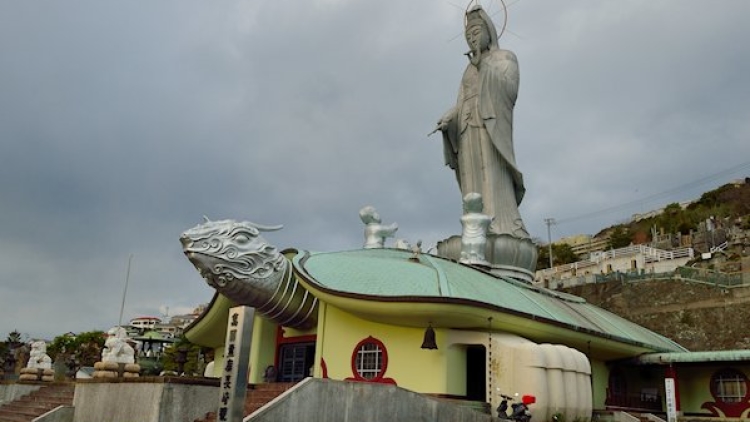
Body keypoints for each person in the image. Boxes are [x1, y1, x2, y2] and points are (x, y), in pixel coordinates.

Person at [435, 5, 529, 240]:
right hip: (467, 129)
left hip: (490, 127)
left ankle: (502, 226)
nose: (472, 40)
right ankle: (474, 227)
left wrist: (483, 65)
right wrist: (451, 117)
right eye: (468, 36)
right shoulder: (468, 69)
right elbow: (462, 101)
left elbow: (509, 90)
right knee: (472, 179)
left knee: (492, 176)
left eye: (476, 33)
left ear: (489, 32)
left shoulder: (503, 57)